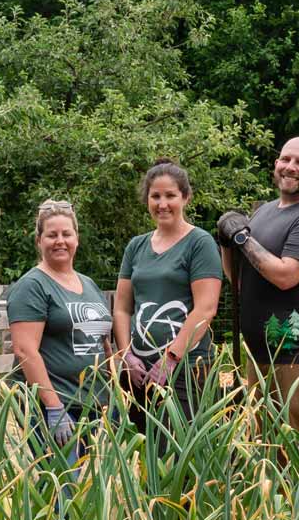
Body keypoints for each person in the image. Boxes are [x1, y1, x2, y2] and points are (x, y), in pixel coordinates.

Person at [216, 137, 299, 430]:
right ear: (276, 164)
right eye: (286, 159)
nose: (291, 167)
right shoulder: (265, 212)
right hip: (261, 357)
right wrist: (226, 244)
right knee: (266, 451)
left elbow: (285, 276)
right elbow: (239, 280)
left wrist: (242, 238)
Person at [112, 160, 222, 443]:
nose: (162, 204)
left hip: (185, 368)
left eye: (170, 195)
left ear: (185, 197)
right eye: (155, 196)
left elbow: (206, 308)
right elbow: (123, 307)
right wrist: (126, 355)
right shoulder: (136, 246)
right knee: (141, 447)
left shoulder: (200, 243)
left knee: (180, 445)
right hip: (138, 370)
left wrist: (171, 358)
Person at [7, 199, 115, 468]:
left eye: (66, 234)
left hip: (90, 404)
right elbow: (24, 350)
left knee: (83, 492)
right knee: (62, 489)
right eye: (51, 235)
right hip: (55, 406)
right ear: (39, 240)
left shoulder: (87, 284)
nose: (60, 241)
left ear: (77, 239)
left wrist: (113, 393)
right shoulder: (33, 285)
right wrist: (53, 407)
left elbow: (103, 342)